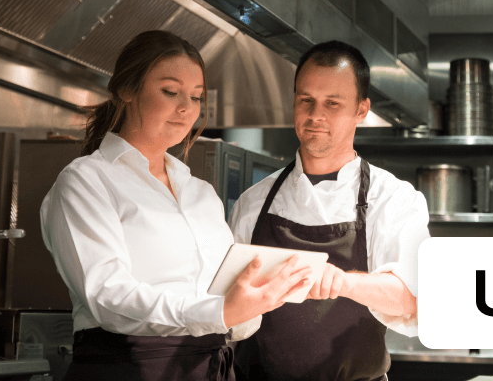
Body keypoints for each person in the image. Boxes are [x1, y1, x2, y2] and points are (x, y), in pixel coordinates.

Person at [40, 30, 311, 381]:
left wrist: (258, 300)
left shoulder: (201, 194)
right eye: (170, 91)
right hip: (127, 369)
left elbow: (223, 306)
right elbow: (107, 296)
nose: (186, 108)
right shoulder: (86, 181)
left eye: (196, 97)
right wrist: (219, 312)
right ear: (126, 89)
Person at [229, 40, 430, 381]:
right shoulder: (254, 202)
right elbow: (228, 306)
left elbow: (411, 297)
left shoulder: (393, 198)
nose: (315, 115)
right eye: (305, 100)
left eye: (332, 103)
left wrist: (343, 282)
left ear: (361, 110)